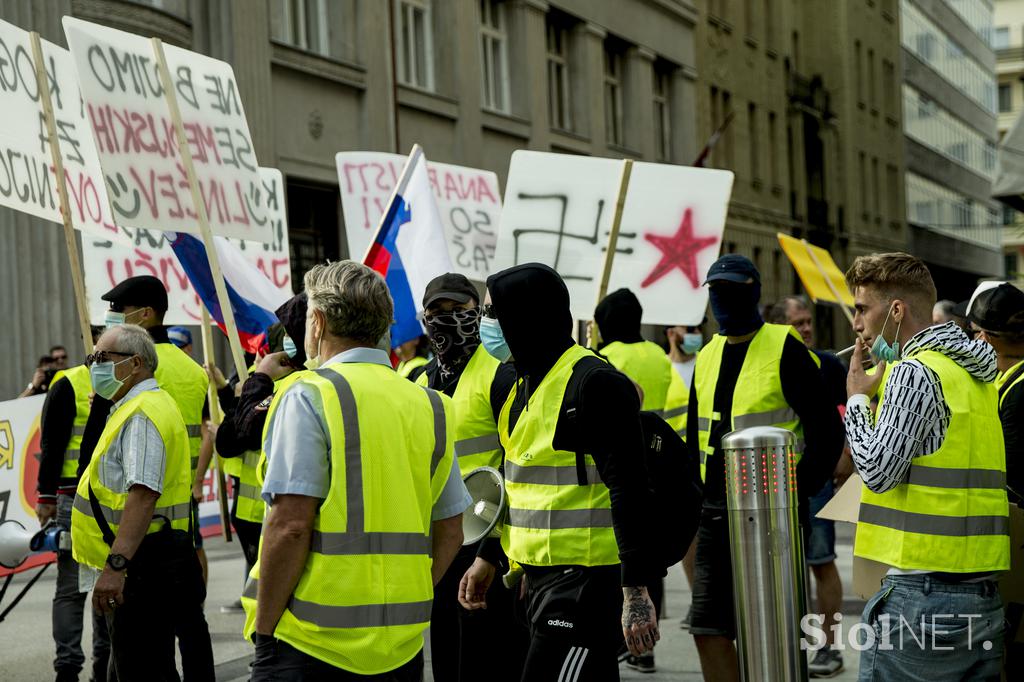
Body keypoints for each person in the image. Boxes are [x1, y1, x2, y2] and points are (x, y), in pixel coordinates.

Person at [241, 260, 468, 680]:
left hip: (311, 643)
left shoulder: (309, 395)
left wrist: (266, 631)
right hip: (401, 646)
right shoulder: (431, 404)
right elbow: (452, 529)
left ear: (319, 322)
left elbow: (290, 526)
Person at [459, 262, 662, 681]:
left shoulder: (594, 384)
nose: (485, 323)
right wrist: (490, 557)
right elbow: (518, 484)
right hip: (537, 582)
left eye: (494, 312)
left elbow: (630, 490)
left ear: (527, 315)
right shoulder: (521, 382)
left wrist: (635, 592)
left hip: (585, 588)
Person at [844, 253, 1009, 680]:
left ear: (896, 310)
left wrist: (859, 399)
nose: (856, 324)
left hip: (922, 598)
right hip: (983, 596)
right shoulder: (975, 375)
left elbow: (878, 473)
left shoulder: (913, 374)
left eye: (862, 309)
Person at [687, 255, 844, 682]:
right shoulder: (707, 356)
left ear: (754, 291)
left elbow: (827, 432)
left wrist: (795, 494)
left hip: (771, 516)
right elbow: (693, 442)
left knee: (774, 635)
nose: (722, 299)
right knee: (707, 627)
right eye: (715, 290)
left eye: (732, 289)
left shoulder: (784, 347)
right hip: (717, 515)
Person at [79, 275, 214, 681]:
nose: (94, 367)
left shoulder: (141, 412)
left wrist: (116, 564)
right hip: (170, 536)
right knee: (173, 643)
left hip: (143, 555)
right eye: (93, 359)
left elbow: (142, 491)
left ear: (136, 363)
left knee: (141, 664)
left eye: (102, 359)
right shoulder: (157, 392)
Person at [403, 273, 526, 682]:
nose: (448, 321)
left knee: (488, 662)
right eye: (438, 313)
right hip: (439, 547)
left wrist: (490, 555)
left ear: (478, 313)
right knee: (448, 661)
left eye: (459, 312)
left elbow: (518, 466)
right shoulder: (418, 383)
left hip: (487, 547)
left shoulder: (501, 375)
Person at [766, 295, 851, 677]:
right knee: (775, 569)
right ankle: (783, 644)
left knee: (821, 563)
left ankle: (830, 647)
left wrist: (844, 457)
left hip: (813, 482)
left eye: (807, 322)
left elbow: (843, 416)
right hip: (769, 484)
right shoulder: (765, 364)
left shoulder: (828, 364)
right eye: (798, 323)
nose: (806, 328)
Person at [213, 293, 307, 613]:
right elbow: (228, 441)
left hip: (272, 515)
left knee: (273, 594)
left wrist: (257, 382)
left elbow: (239, 435)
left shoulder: (289, 392)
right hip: (258, 510)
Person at [35, 331, 111, 682]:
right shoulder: (68, 384)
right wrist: (46, 498)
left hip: (111, 500)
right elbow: (51, 445)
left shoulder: (122, 384)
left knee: (102, 586)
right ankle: (69, 668)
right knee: (74, 587)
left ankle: (102, 663)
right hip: (73, 500)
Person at [592, 288, 674, 414]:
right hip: (658, 429)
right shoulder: (659, 353)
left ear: (608, 323)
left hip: (625, 432)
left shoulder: (605, 357)